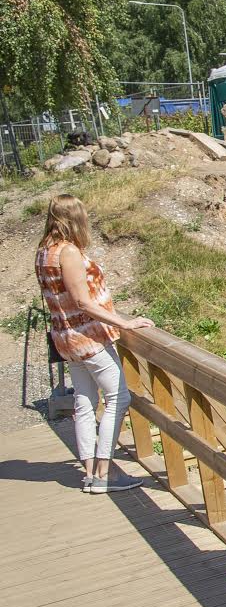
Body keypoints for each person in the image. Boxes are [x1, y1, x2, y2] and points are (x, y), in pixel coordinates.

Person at [34, 194, 154, 493]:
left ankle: (90, 471)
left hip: (65, 337)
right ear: (75, 218)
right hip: (86, 336)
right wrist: (124, 323)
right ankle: (104, 471)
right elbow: (83, 302)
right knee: (119, 398)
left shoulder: (43, 251)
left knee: (85, 402)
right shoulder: (68, 252)